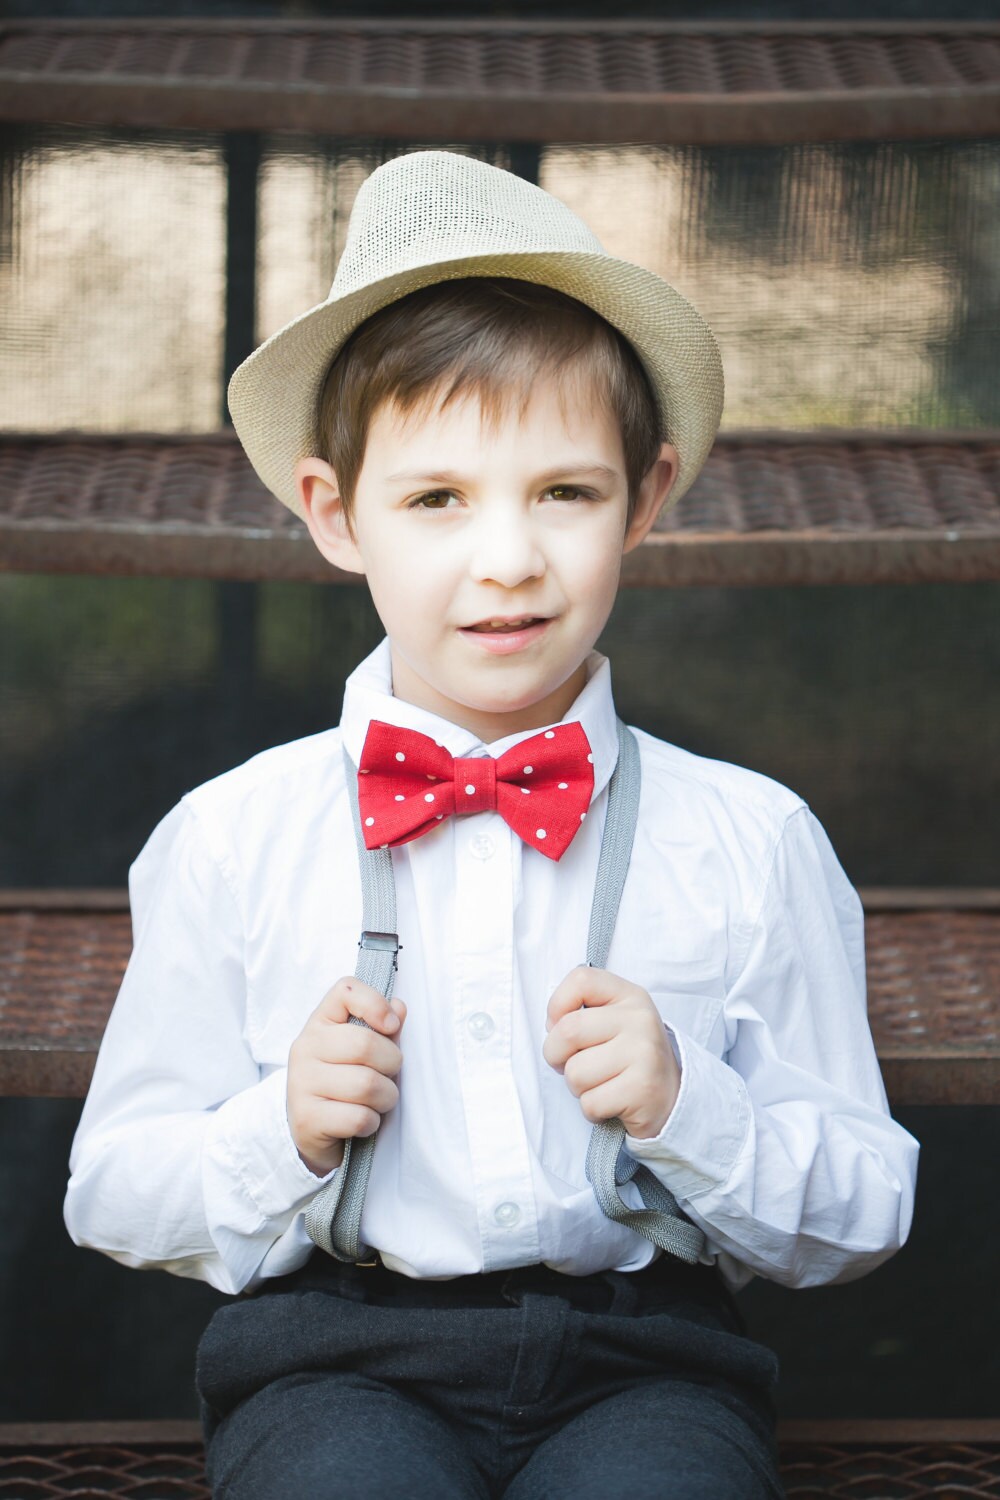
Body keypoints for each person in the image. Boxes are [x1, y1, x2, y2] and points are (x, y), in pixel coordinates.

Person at [64, 150, 919, 1500]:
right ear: (336, 516)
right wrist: (276, 1127)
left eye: (563, 493)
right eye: (437, 499)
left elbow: (865, 1207)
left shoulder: (752, 838)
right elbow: (112, 1189)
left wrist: (694, 1106)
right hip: (332, 1359)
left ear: (646, 496)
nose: (507, 558)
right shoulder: (232, 837)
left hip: (652, 1364)